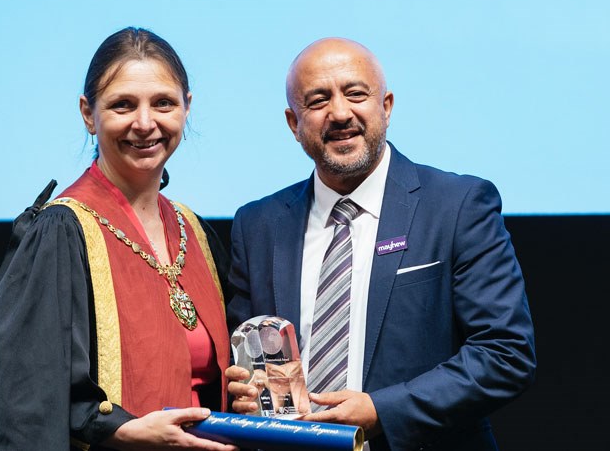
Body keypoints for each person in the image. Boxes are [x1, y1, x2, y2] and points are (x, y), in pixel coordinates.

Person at [225, 37, 536, 451]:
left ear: (386, 106)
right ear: (293, 123)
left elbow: (506, 353)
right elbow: (249, 364)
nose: (340, 113)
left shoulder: (457, 205)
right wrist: (247, 392)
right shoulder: (258, 225)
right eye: (318, 101)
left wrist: (382, 411)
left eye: (356, 94)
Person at [0, 27, 237, 451]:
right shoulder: (60, 233)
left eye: (163, 103)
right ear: (88, 113)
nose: (145, 124)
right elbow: (26, 401)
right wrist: (120, 430)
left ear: (187, 108)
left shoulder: (194, 231)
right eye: (123, 105)